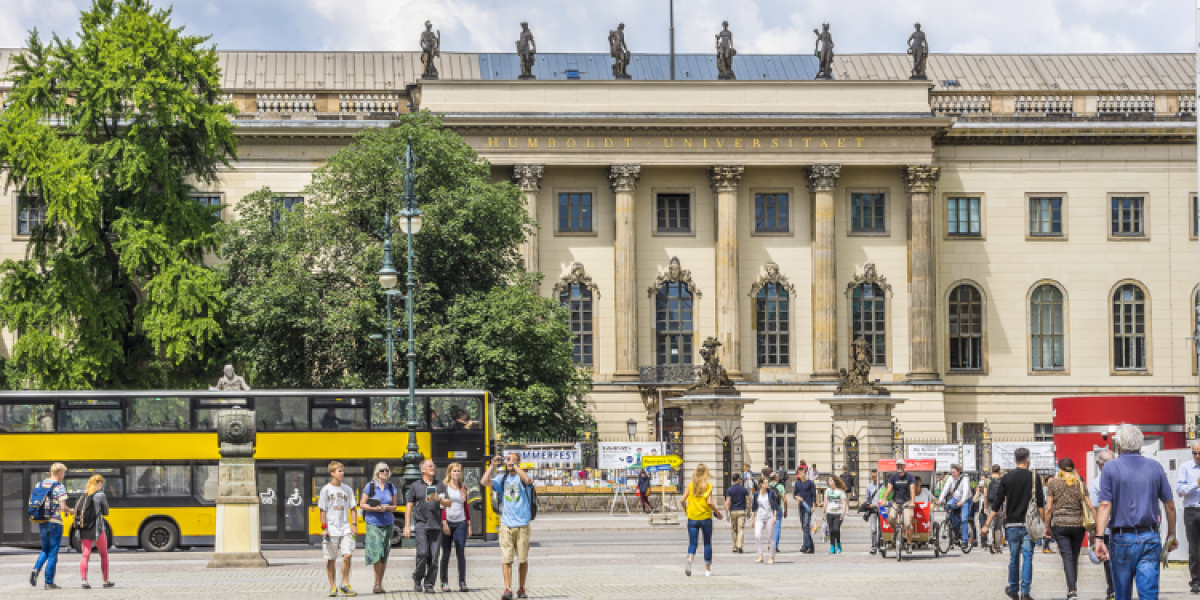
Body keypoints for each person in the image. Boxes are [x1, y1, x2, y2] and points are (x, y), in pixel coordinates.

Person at [1095, 424, 1178, 600]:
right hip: (1149, 538)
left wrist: (1100, 537)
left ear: (1118, 444)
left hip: (1121, 539)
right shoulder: (1155, 467)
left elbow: (1104, 506)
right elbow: (1169, 505)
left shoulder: (1110, 468)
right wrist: (1171, 535)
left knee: (1122, 594)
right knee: (1148, 594)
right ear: (1140, 444)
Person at [984, 447, 1046, 600]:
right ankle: (1025, 591)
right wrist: (1044, 524)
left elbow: (997, 503)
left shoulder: (1006, 478)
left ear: (1014, 459)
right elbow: (1040, 504)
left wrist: (986, 524)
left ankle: (1013, 588)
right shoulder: (1034, 477)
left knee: (1013, 558)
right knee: (1028, 556)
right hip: (1029, 525)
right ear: (1028, 459)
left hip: (1011, 524)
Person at [484, 453, 534, 600]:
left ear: (518, 462)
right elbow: (484, 481)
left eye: (513, 460)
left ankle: (522, 588)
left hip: (523, 524)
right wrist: (492, 466)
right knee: (507, 559)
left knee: (523, 559)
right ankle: (508, 589)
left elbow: (528, 480)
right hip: (506, 524)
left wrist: (516, 467)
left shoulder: (524, 476)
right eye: (508, 460)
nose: (509, 462)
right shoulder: (502, 478)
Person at [1044, 458, 1087, 600]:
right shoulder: (1080, 484)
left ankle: (1072, 590)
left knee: (1067, 558)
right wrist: (1095, 528)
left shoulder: (1053, 484)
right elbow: (1090, 506)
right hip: (1078, 525)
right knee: (1074, 557)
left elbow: (1049, 508)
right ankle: (1072, 587)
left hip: (1060, 525)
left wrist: (1047, 527)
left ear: (1059, 470)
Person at [405, 458, 449, 594]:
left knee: (434, 558)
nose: (433, 468)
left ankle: (429, 584)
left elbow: (448, 503)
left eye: (433, 466)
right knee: (422, 553)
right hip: (421, 524)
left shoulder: (440, 485)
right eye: (430, 466)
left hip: (436, 526)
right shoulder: (415, 485)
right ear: (423, 469)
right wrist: (407, 526)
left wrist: (439, 499)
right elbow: (409, 506)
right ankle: (417, 578)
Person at [30, 462, 73, 590]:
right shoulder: (58, 486)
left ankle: (35, 569)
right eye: (63, 472)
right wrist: (71, 511)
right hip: (55, 523)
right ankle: (49, 582)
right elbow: (63, 507)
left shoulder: (40, 484)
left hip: (42, 521)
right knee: (53, 552)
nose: (64, 475)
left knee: (45, 550)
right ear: (59, 472)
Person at [319, 461, 357, 597]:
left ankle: (344, 584)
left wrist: (354, 525)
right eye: (339, 471)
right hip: (331, 528)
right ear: (332, 473)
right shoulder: (326, 490)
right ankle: (333, 586)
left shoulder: (347, 489)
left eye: (342, 470)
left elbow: (353, 508)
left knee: (347, 555)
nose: (342, 473)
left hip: (345, 527)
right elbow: (322, 510)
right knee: (331, 558)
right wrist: (324, 528)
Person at [360, 462, 396, 595]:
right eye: (382, 470)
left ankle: (380, 583)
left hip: (388, 523)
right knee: (377, 552)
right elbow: (362, 504)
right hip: (373, 522)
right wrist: (374, 508)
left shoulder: (391, 487)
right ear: (377, 473)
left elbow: (394, 506)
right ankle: (376, 583)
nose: (385, 472)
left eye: (387, 470)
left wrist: (386, 507)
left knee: (384, 554)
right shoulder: (370, 486)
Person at [680, 463, 723, 577]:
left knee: (693, 543)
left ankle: (690, 558)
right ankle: (708, 570)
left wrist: (687, 510)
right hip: (705, 517)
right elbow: (709, 502)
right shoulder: (708, 485)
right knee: (707, 543)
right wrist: (717, 513)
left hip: (692, 517)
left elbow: (682, 500)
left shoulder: (690, 485)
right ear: (706, 473)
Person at [76, 474, 114, 590]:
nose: (101, 485)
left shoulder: (83, 496)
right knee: (103, 554)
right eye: (101, 483)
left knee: (85, 555)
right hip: (97, 529)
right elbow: (106, 511)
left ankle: (84, 581)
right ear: (98, 483)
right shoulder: (100, 495)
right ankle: (106, 581)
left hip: (84, 528)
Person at [439, 462, 470, 593]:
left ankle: (462, 582)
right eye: (454, 471)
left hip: (461, 523)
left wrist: (468, 524)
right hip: (448, 522)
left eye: (458, 471)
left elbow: (466, 507)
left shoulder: (463, 487)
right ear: (449, 473)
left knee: (461, 552)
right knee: (446, 553)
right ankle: (444, 582)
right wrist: (444, 522)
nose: (456, 473)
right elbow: (441, 506)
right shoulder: (444, 487)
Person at [1091, 449, 1116, 600]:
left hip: (1106, 528)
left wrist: (1095, 532)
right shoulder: (1123, 478)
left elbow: (1095, 509)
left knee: (1108, 559)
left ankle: (1112, 589)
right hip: (1124, 526)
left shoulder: (1096, 483)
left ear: (1100, 465)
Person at [1176, 441, 1200, 595]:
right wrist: (1196, 484)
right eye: (1195, 453)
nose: (1197, 456)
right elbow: (1179, 490)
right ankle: (1196, 581)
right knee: (1194, 548)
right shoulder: (1186, 467)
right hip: (1192, 511)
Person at [884, 459, 918, 553]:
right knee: (891, 518)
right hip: (896, 501)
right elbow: (889, 488)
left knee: (907, 523)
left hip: (907, 502)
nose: (899, 467)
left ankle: (909, 543)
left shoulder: (910, 477)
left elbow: (912, 489)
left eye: (901, 465)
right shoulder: (893, 477)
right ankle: (896, 531)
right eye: (897, 465)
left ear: (904, 466)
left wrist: (912, 502)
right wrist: (884, 499)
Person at [938, 464, 972, 550]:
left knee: (964, 519)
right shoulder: (950, 479)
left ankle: (965, 541)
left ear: (958, 472)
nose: (952, 474)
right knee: (947, 507)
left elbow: (965, 491)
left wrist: (962, 501)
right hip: (955, 498)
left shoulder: (965, 479)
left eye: (954, 472)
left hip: (965, 500)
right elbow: (945, 489)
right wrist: (940, 499)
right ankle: (955, 526)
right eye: (952, 472)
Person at [751, 477, 778, 563]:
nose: (767, 484)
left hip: (769, 517)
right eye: (765, 483)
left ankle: (772, 557)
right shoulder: (756, 494)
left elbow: (775, 506)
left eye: (767, 483)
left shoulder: (770, 494)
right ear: (761, 484)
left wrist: (775, 516)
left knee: (770, 538)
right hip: (759, 517)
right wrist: (752, 518)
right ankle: (761, 556)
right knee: (757, 536)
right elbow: (754, 507)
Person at [820, 475, 847, 554]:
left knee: (836, 528)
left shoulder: (840, 491)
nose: (829, 482)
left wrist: (843, 512)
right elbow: (825, 502)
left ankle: (838, 543)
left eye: (831, 480)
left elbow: (844, 502)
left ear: (835, 482)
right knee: (831, 530)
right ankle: (832, 546)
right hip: (829, 512)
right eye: (829, 481)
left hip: (838, 513)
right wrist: (823, 512)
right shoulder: (827, 491)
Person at [793, 466, 816, 554]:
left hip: (808, 506)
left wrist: (814, 506)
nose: (801, 475)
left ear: (805, 473)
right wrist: (797, 497)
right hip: (801, 507)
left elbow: (814, 495)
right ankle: (810, 546)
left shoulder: (810, 483)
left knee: (806, 526)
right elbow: (794, 494)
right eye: (800, 473)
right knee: (804, 527)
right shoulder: (798, 484)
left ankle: (805, 546)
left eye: (803, 473)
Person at [724, 473, 749, 553]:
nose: (741, 480)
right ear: (738, 479)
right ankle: (739, 545)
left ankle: (734, 546)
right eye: (740, 479)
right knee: (741, 528)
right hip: (741, 510)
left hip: (733, 511)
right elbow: (748, 501)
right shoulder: (744, 489)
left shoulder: (730, 490)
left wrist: (726, 514)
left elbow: (727, 502)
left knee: (734, 529)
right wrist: (749, 511)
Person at [766, 470, 787, 551]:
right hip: (778, 508)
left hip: (769, 508)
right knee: (777, 528)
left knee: (770, 527)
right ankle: (775, 546)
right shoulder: (781, 486)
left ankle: (770, 544)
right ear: (776, 478)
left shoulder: (767, 486)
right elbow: (784, 499)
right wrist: (785, 510)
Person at [865, 470, 881, 554]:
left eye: (875, 476)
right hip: (873, 510)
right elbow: (867, 499)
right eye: (873, 476)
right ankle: (874, 546)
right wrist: (868, 504)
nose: (874, 478)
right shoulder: (869, 487)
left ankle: (881, 545)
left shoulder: (883, 486)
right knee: (873, 529)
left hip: (882, 509)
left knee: (882, 529)